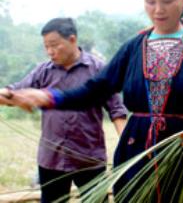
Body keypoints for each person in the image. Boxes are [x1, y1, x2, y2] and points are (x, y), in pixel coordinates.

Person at [5, 0, 183, 202]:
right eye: (150, 2)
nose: (158, 9)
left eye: (167, 1)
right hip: (137, 153)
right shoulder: (133, 48)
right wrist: (50, 97)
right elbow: (95, 90)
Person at [0, 18, 128, 203]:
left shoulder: (98, 69)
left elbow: (116, 110)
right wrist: (6, 94)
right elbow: (16, 92)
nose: (50, 51)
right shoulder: (43, 71)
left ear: (72, 40)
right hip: (52, 158)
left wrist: (126, 146)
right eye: (46, 46)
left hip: (88, 157)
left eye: (54, 45)